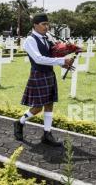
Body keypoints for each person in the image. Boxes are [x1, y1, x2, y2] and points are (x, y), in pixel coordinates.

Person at [13, 13, 74, 147]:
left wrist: (62, 63)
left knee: (50, 104)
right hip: (38, 74)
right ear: (35, 25)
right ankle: (20, 122)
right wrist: (61, 60)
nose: (47, 27)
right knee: (37, 107)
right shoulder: (30, 40)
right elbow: (38, 59)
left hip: (49, 74)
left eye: (47, 24)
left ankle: (47, 134)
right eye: (43, 24)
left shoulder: (47, 38)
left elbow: (50, 55)